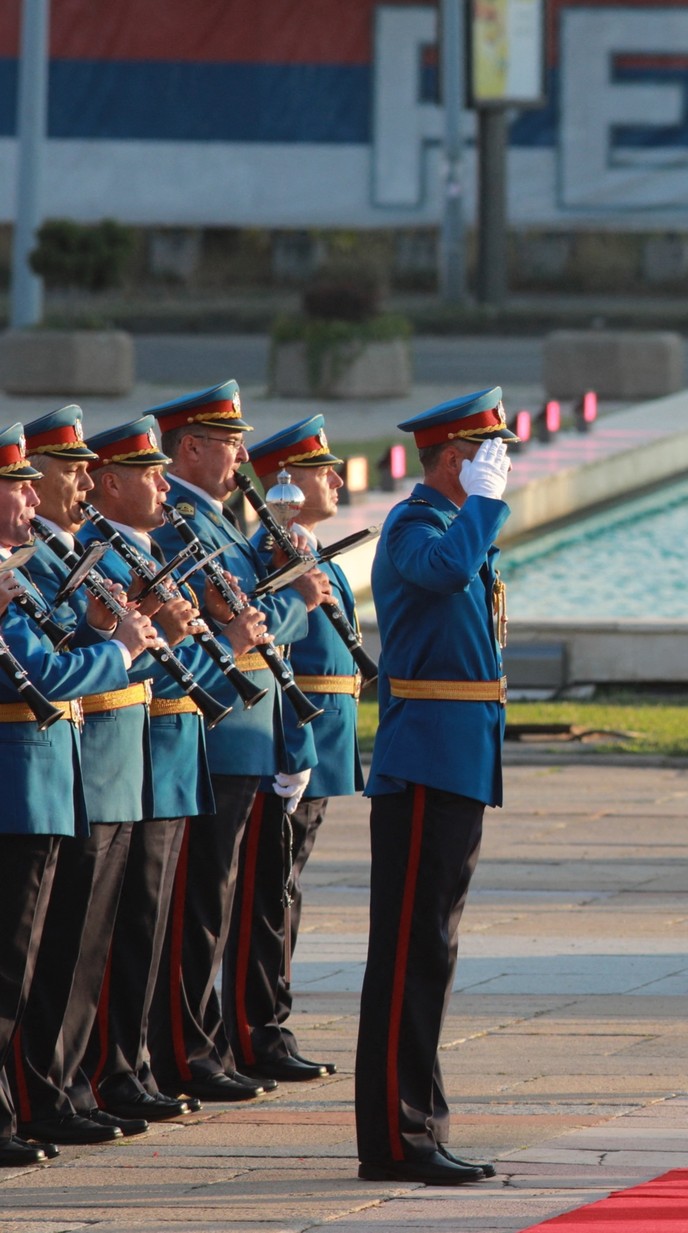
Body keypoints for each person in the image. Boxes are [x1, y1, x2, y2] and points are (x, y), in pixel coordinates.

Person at [147, 380, 327, 1105]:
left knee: (219, 905)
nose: (242, 455)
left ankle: (209, 1042)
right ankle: (188, 1049)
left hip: (249, 734)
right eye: (228, 442)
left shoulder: (219, 523)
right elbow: (243, 624)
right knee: (198, 905)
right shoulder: (180, 525)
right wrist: (294, 600)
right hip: (219, 733)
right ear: (190, 447)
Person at [355, 388, 514, 1186]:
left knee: (432, 953)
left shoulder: (454, 529)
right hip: (422, 766)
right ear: (454, 459)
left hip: (454, 764)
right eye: (486, 456)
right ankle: (397, 1135)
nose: (499, 469)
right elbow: (446, 576)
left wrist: (478, 513)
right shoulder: (415, 527)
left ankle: (416, 1124)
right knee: (410, 952)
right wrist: (483, 506)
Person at [11, 405, 164, 1148]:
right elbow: (41, 674)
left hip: (73, 766)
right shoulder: (30, 566)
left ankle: (62, 1086)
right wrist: (117, 646)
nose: (59, 491)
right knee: (33, 954)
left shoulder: (54, 559)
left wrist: (115, 631)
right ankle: (39, 1093)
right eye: (61, 474)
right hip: (42, 772)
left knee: (77, 945)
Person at [78, 416, 218, 1124]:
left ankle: (126, 1064)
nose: (165, 485)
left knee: (147, 923)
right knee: (110, 928)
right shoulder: (94, 551)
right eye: (149, 474)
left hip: (158, 750)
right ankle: (101, 1071)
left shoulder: (149, 551)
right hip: (124, 751)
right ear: (109, 484)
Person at [225, 417, 364, 1083]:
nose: (335, 479)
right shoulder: (275, 554)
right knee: (268, 892)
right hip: (289, 743)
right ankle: (257, 1029)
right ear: (284, 483)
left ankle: (269, 1021)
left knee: (285, 889)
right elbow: (274, 653)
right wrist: (293, 744)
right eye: (321, 469)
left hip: (320, 744)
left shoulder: (307, 550)